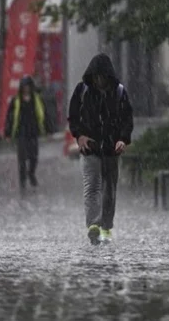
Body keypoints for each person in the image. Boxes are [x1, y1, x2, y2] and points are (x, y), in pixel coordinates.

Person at [68, 53, 133, 245]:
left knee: (109, 189)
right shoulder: (82, 91)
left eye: (102, 77)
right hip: (90, 149)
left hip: (112, 150)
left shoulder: (119, 92)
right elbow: (73, 116)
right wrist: (79, 135)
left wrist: (123, 139)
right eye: (96, 77)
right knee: (92, 186)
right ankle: (93, 225)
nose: (99, 81)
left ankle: (106, 226)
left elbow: (127, 119)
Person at [4, 75, 46, 190]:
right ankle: (22, 181)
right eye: (24, 87)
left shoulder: (36, 99)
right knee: (22, 158)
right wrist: (7, 133)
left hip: (33, 131)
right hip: (21, 132)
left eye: (28, 86)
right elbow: (10, 117)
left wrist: (46, 129)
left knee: (34, 157)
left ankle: (31, 173)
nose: (26, 89)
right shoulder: (16, 100)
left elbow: (43, 114)